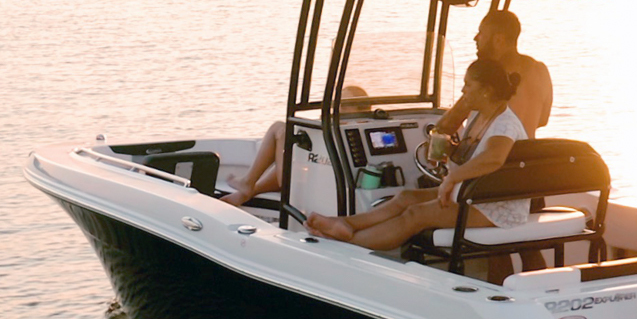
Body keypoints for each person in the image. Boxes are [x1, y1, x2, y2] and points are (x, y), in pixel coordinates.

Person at [301, 57, 529, 250]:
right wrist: (451, 150)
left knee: (416, 214)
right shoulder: (480, 115)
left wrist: (452, 178)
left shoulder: (504, 124)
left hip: (494, 208)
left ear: (487, 90)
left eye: (468, 85)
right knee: (405, 197)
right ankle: (347, 224)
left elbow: (494, 158)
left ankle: (347, 244)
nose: (463, 91)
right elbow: (477, 154)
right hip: (472, 194)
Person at [222, 84, 366, 209]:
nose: (338, 108)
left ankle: (248, 182)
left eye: (344, 104)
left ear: (361, 108)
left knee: (279, 128)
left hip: (313, 186)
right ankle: (249, 191)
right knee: (290, 152)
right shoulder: (357, 128)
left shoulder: (338, 127)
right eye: (337, 103)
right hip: (321, 180)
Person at [435, 7, 553, 138]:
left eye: (481, 33)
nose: (475, 38)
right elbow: (543, 120)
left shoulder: (489, 75)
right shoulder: (540, 70)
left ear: (498, 40)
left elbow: (447, 125)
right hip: (526, 150)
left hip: (493, 149)